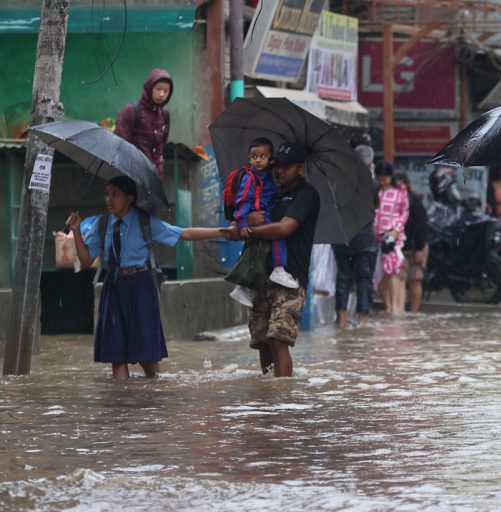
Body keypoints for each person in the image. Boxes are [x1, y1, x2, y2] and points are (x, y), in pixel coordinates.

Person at [65, 176, 226, 380]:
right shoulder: (101, 224)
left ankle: (154, 396)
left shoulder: (144, 222)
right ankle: (122, 403)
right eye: (107, 194)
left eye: (116, 195)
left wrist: (223, 232)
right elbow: (86, 260)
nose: (109, 199)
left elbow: (183, 234)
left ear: (129, 198)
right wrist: (76, 230)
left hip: (141, 286)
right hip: (113, 286)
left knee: (146, 355)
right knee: (117, 354)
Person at [231, 141, 320, 377]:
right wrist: (246, 222)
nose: (280, 171)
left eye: (287, 166)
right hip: (262, 276)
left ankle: (283, 397)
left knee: (279, 339)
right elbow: (246, 214)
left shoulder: (306, 195)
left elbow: (284, 229)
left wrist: (250, 230)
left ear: (300, 168)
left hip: (289, 278)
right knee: (261, 341)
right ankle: (269, 395)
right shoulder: (270, 191)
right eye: (278, 165)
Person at [228, 137, 297, 308]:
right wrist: (243, 221)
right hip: (259, 215)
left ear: (270, 159)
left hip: (265, 212)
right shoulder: (250, 178)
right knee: (277, 235)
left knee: (253, 251)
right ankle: (279, 269)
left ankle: (241, 287)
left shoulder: (268, 174)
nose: (258, 160)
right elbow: (243, 199)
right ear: (249, 158)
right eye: (254, 156)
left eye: (262, 157)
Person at [332, 146, 378, 328]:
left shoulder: (339, 182)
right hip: (365, 239)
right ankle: (362, 320)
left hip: (343, 237)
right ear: (369, 163)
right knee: (364, 280)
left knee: (343, 278)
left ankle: (341, 320)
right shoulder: (373, 185)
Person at [115, 69, 173, 179]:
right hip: (133, 175)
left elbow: (162, 144)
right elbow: (121, 145)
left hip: (156, 177)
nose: (162, 94)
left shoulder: (165, 115)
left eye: (166, 91)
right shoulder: (130, 111)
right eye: (158, 89)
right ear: (149, 88)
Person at [374, 161, 409, 315]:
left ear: (390, 177)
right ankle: (387, 305)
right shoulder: (374, 192)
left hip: (392, 236)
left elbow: (405, 213)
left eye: (385, 179)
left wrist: (396, 229)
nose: (382, 182)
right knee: (377, 274)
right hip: (374, 237)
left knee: (393, 270)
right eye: (380, 179)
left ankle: (394, 306)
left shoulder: (400, 192)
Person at [394, 171, 428, 313]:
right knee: (400, 279)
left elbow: (421, 226)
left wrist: (419, 249)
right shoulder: (392, 201)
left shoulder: (414, 201)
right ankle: (399, 311)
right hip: (399, 247)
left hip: (415, 247)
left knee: (415, 280)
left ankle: (413, 312)